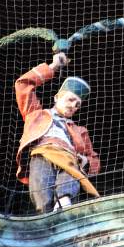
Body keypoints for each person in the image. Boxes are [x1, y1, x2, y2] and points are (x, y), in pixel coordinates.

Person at [14, 52, 100, 213]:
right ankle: (48, 215)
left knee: (70, 170)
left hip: (68, 156)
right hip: (41, 153)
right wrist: (53, 66)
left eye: (78, 104)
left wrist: (85, 160)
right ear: (56, 98)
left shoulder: (80, 131)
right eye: (70, 99)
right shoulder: (36, 114)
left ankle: (64, 200)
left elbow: (94, 160)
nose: (74, 106)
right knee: (41, 195)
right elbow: (22, 85)